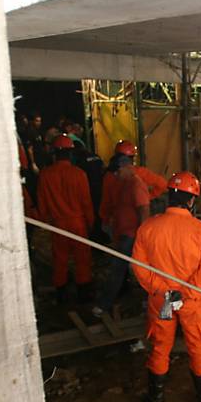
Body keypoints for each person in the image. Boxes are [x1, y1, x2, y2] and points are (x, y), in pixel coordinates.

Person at [132, 172, 201, 402]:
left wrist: (164, 290)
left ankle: (155, 400)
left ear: (170, 196)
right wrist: (186, 294)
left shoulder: (148, 227)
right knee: (198, 346)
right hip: (192, 303)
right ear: (192, 200)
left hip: (162, 302)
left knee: (160, 346)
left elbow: (139, 267)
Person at [37, 135, 94, 303]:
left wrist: (45, 220)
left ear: (54, 153)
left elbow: (42, 203)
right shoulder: (79, 174)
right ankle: (83, 292)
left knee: (60, 258)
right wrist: (90, 223)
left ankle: (61, 293)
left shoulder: (45, 175)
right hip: (78, 223)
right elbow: (86, 202)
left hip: (58, 224)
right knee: (82, 258)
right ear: (71, 153)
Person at [93, 156, 150, 316]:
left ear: (126, 167)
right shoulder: (125, 184)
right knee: (133, 270)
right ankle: (146, 301)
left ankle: (104, 304)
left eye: (117, 171)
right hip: (125, 234)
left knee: (119, 270)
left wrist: (142, 236)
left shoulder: (136, 185)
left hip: (132, 235)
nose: (116, 175)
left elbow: (144, 210)